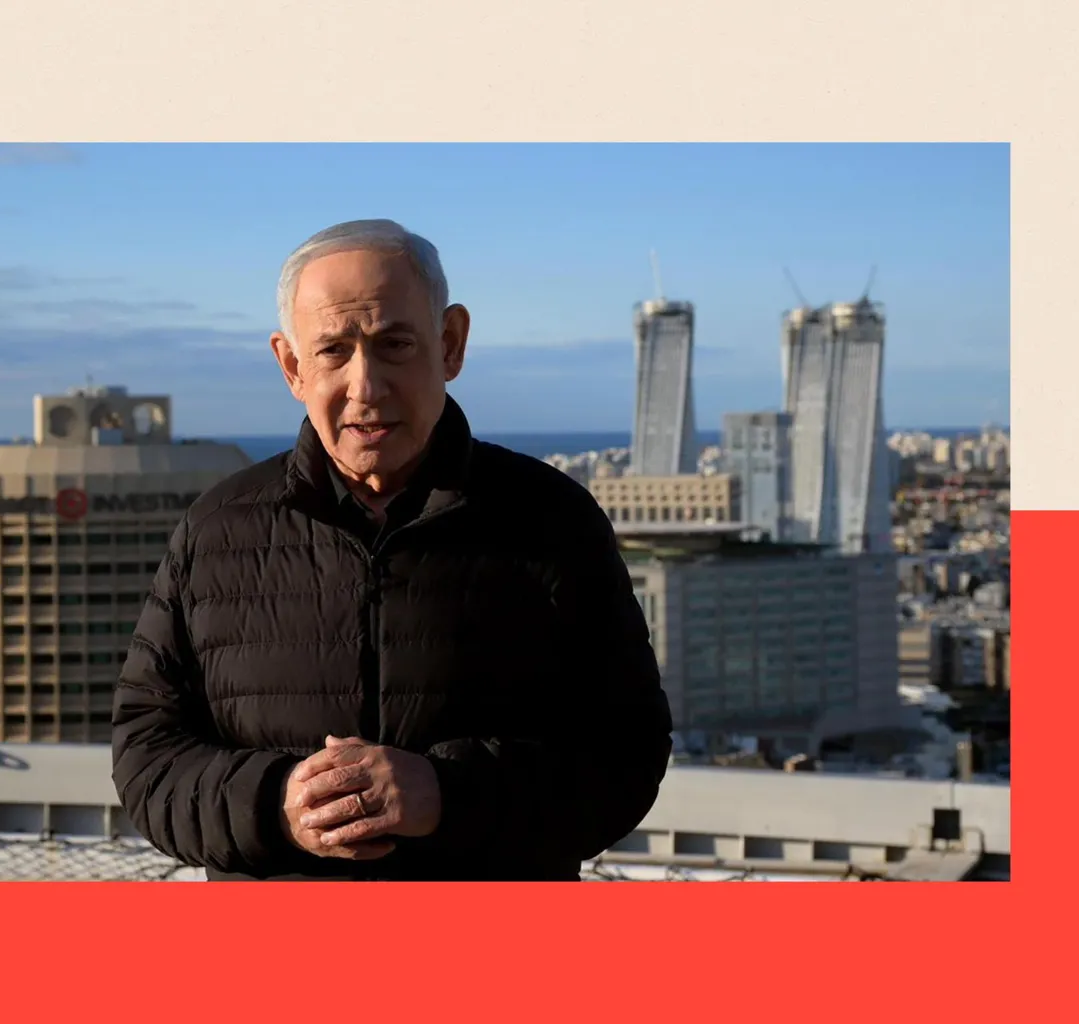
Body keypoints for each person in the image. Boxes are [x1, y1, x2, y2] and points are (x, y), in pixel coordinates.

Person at [111, 219, 673, 881]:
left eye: (394, 344)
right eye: (332, 352)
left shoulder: (550, 521)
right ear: (292, 366)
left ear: (450, 343)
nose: (366, 385)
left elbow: (625, 758)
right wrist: (279, 803)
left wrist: (446, 794)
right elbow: (147, 760)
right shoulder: (218, 531)